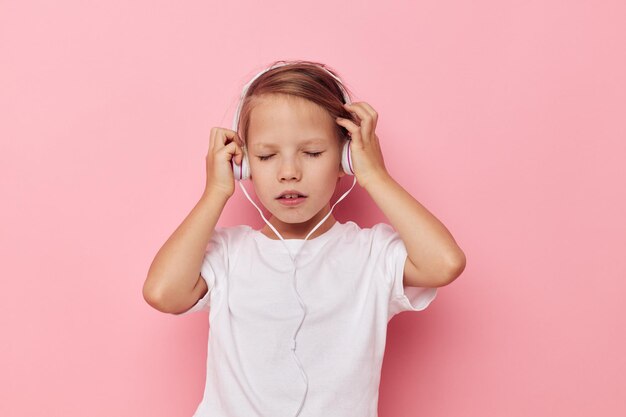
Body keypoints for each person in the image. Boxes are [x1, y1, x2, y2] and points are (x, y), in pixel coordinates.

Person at [143, 59, 466, 417]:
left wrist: (374, 174)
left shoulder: (372, 254)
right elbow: (163, 293)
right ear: (244, 164)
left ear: (345, 158)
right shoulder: (229, 253)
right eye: (266, 156)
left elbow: (445, 263)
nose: (289, 173)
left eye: (312, 153)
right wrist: (216, 191)